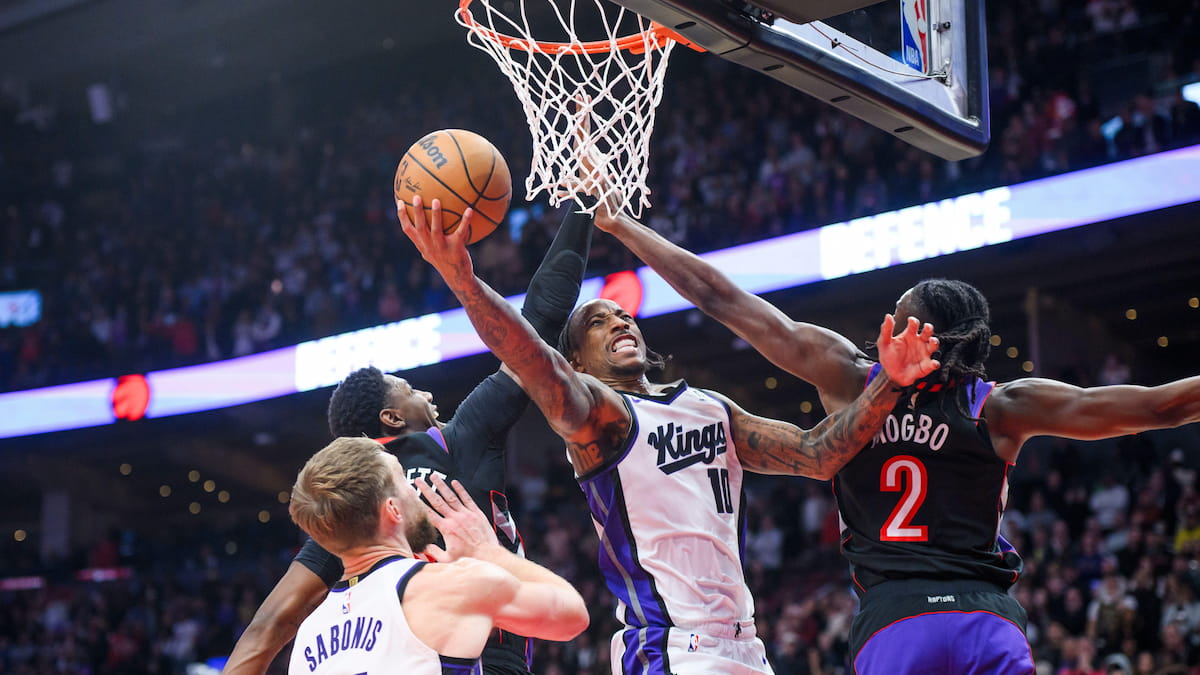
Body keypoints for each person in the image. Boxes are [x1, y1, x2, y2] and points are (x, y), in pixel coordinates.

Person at [588, 205, 1200, 673]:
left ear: (909, 329)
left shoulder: (849, 376)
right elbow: (1162, 407)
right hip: (986, 619)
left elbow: (722, 298)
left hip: (896, 624)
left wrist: (625, 228)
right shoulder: (1003, 407)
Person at [399, 195, 941, 674]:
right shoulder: (599, 418)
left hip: (746, 647)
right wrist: (463, 281)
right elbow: (530, 357)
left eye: (622, 315)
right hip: (668, 649)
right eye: (597, 322)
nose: (619, 322)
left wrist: (890, 384)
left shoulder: (710, 408)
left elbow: (819, 455)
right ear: (575, 360)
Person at [226, 206, 594, 674]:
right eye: (409, 388)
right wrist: (582, 208)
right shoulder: (460, 437)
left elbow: (269, 626)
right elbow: (537, 323)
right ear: (391, 417)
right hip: (485, 647)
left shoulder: (348, 513)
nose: (425, 392)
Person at [286, 436, 589, 674]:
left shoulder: (308, 635)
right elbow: (572, 616)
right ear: (392, 509)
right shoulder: (450, 586)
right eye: (402, 480)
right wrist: (492, 554)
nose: (412, 488)